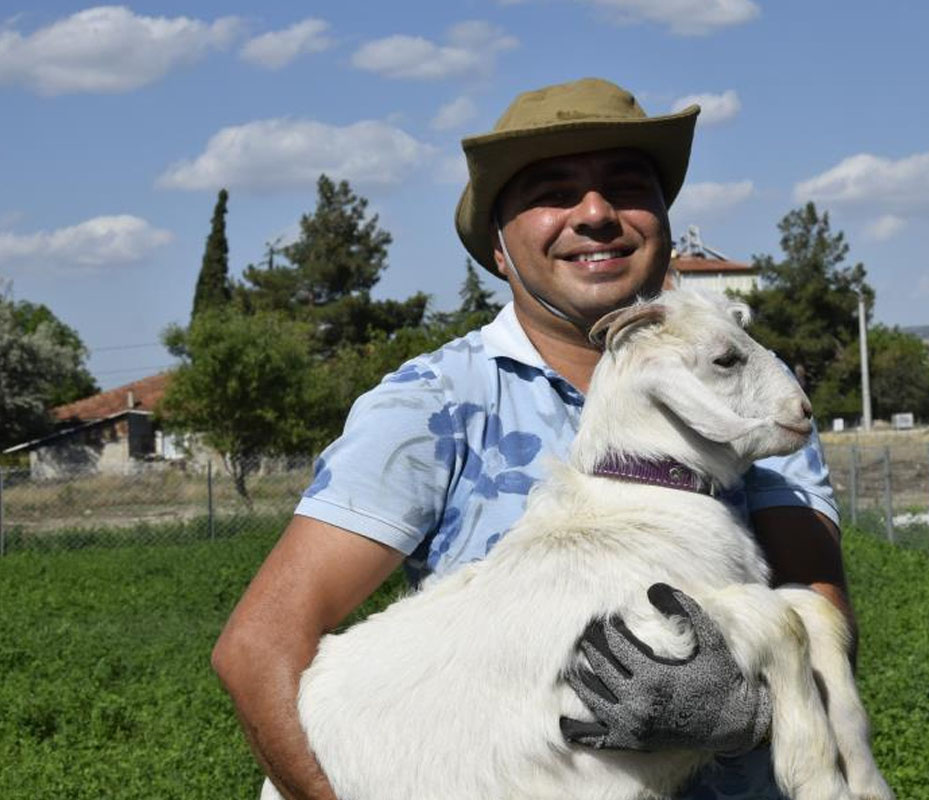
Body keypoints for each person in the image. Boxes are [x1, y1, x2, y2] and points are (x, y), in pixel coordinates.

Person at [212, 77, 853, 800]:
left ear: (665, 220)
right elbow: (258, 646)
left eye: (625, 186)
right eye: (552, 191)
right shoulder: (435, 404)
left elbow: (818, 610)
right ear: (498, 242)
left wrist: (752, 714)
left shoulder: (740, 392)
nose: (596, 214)